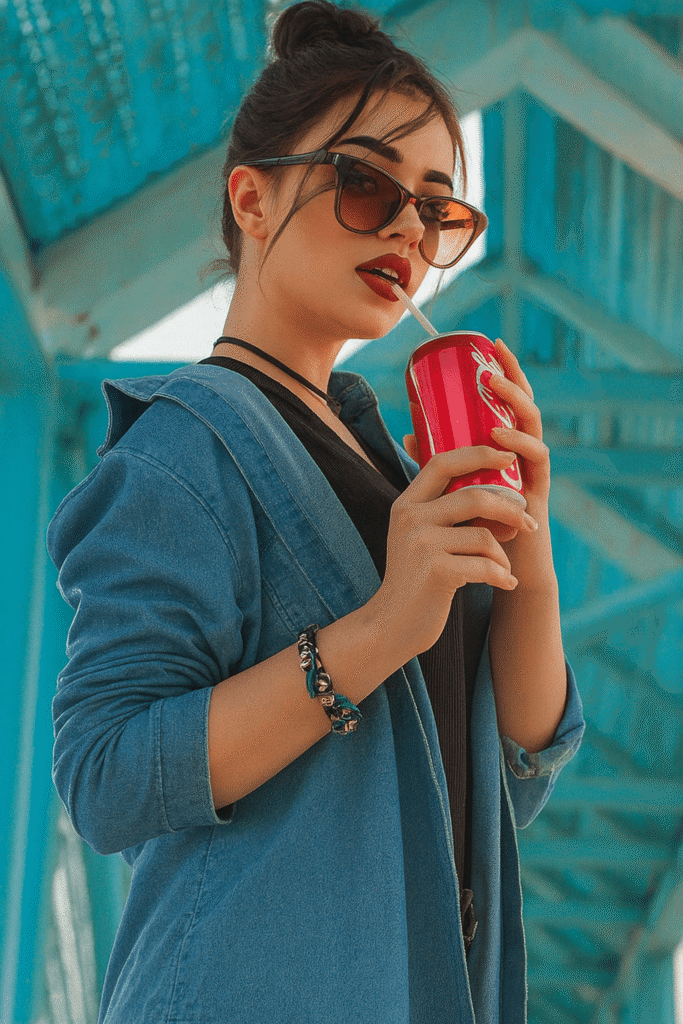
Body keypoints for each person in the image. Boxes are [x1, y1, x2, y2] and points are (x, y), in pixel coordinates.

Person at [47, 3, 584, 1022]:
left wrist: (529, 533)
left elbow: (513, 770)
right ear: (250, 200)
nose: (404, 230)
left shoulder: (387, 463)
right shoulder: (177, 454)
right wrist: (383, 629)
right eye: (363, 183)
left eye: (435, 209)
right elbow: (106, 775)